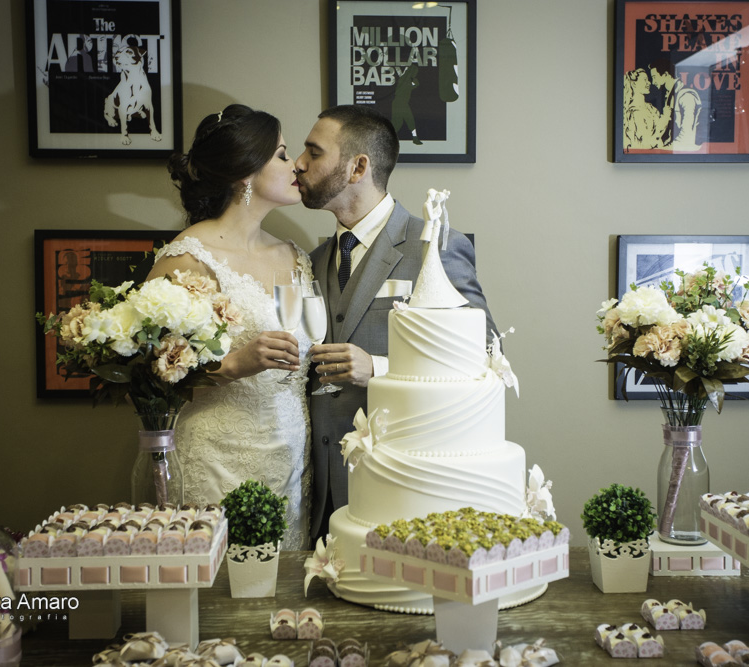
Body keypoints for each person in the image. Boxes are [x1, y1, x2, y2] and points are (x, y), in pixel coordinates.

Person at [293, 104, 496, 542]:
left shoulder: (434, 248)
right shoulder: (314, 261)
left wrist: (379, 369)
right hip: (324, 492)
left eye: (314, 152)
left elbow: (487, 357)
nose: (299, 164)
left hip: (404, 486)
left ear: (357, 167)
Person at [147, 104, 312, 549]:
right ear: (245, 173)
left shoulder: (296, 257)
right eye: (281, 154)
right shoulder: (189, 256)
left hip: (289, 453)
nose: (295, 163)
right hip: (216, 454)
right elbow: (155, 379)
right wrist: (238, 362)